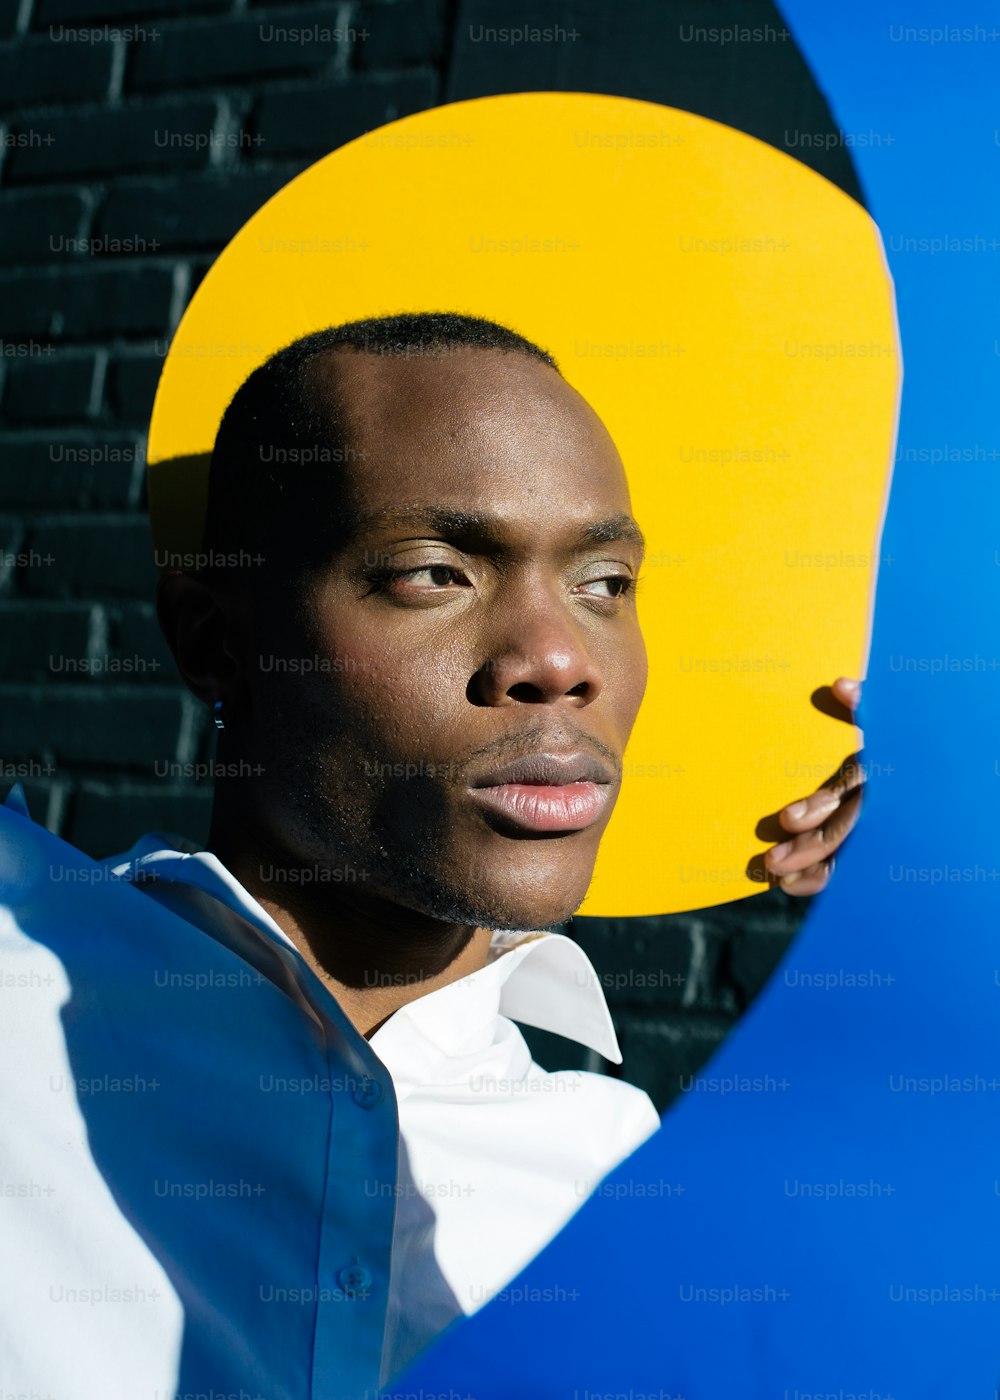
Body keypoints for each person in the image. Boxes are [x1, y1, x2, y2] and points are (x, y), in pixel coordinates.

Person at [0, 312, 862, 1399]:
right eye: (433, 573)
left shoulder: (630, 1180)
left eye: (604, 583)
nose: (557, 659)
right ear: (219, 641)